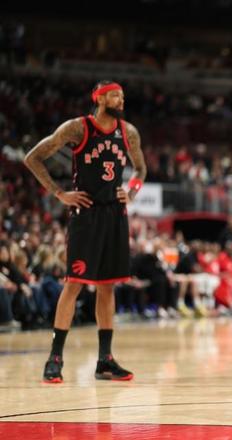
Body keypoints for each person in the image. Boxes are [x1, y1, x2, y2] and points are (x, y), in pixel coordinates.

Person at [24, 80, 147, 383]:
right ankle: (55, 358)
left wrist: (131, 192)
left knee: (107, 286)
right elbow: (32, 158)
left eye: (122, 96)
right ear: (100, 98)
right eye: (115, 95)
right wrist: (59, 193)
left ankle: (105, 360)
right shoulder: (78, 128)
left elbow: (141, 169)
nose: (121, 100)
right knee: (75, 284)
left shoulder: (128, 132)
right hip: (86, 214)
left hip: (115, 214)